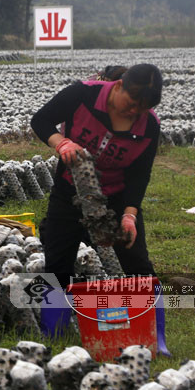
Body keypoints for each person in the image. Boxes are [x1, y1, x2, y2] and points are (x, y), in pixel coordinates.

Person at [30, 63, 163, 290]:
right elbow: (40, 120)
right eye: (131, 104)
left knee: (138, 265)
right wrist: (61, 142)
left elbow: (140, 174)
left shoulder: (149, 124)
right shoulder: (83, 94)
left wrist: (130, 215)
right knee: (57, 263)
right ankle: (57, 322)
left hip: (116, 196)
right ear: (118, 86)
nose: (134, 113)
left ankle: (151, 320)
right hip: (71, 191)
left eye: (140, 110)